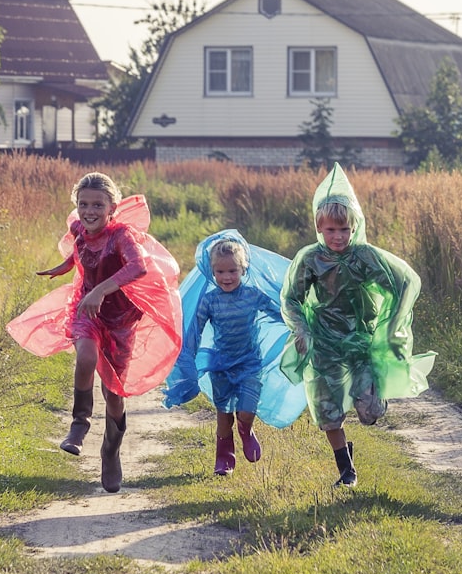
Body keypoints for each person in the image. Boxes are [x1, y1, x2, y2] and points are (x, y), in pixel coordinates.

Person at [6, 172, 182, 493]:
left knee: (114, 394)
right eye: (83, 204)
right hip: (86, 312)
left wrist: (101, 289)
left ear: (112, 207)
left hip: (120, 319)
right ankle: (79, 424)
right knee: (85, 355)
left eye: (98, 205)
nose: (90, 211)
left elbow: (137, 267)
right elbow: (81, 250)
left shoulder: (122, 236)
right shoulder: (78, 228)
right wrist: (66, 266)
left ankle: (111, 451)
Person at [281, 163, 436, 488]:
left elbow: (404, 282)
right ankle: (346, 470)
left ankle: (375, 400)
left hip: (360, 344)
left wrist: (392, 323)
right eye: (330, 230)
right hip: (324, 346)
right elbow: (291, 299)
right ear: (319, 228)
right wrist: (302, 330)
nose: (337, 237)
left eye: (344, 230)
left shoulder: (365, 257)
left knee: (368, 412)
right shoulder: (310, 259)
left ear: (354, 227)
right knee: (328, 412)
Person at [163, 229, 307, 475]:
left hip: (250, 363)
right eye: (220, 272)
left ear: (243, 269)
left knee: (246, 409)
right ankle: (224, 458)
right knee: (224, 415)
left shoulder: (252, 295)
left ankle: (246, 429)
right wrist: (188, 358)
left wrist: (299, 326)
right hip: (221, 365)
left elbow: (278, 311)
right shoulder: (210, 300)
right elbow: (194, 331)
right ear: (212, 272)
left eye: (232, 271)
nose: (226, 277)